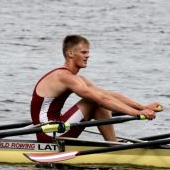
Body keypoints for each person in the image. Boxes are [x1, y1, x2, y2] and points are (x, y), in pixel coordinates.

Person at [31, 35, 163, 143]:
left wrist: (142, 107)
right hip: (48, 133)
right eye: (83, 52)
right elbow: (102, 99)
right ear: (70, 53)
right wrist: (136, 113)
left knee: (98, 98)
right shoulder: (63, 77)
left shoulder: (76, 79)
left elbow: (108, 95)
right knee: (95, 100)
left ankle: (113, 145)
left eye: (88, 52)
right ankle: (113, 146)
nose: (88, 56)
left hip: (58, 126)